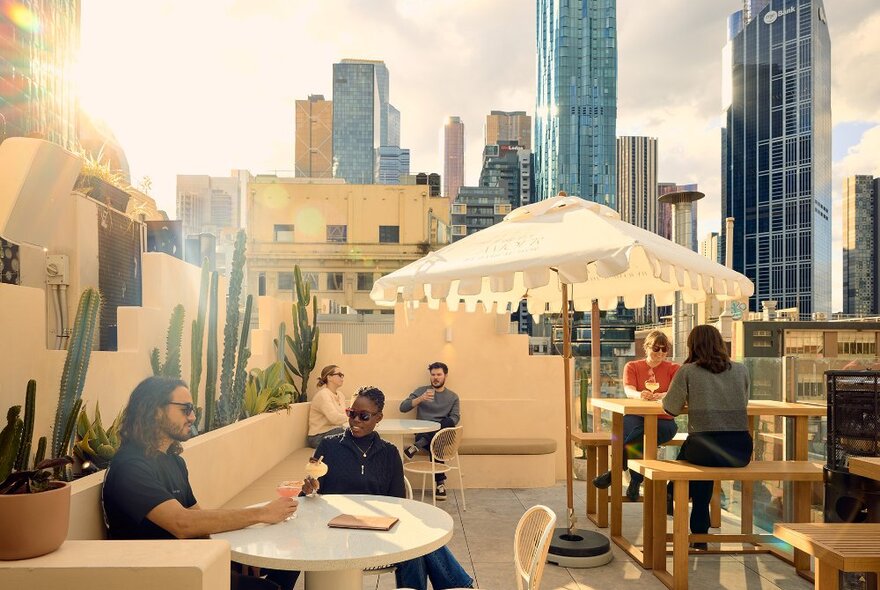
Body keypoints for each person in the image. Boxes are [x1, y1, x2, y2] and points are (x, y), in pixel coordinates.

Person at [102, 377, 300, 590]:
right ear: (156, 411)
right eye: (186, 409)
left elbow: (198, 519)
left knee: (289, 559)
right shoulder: (130, 467)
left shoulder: (174, 461)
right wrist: (261, 513)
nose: (193, 416)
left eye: (193, 409)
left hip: (191, 559)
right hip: (159, 574)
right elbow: (183, 524)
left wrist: (235, 553)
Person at [305, 386, 474, 590]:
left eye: (364, 416)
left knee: (416, 539)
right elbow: (309, 498)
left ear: (379, 418)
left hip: (377, 533)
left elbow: (398, 504)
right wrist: (310, 488)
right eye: (352, 414)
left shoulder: (389, 453)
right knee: (416, 543)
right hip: (338, 535)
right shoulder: (329, 447)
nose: (356, 420)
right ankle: (461, 587)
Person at [662, 324, 753, 549]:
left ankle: (672, 492)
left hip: (704, 447)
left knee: (696, 453)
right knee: (701, 458)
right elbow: (744, 402)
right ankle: (698, 528)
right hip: (740, 450)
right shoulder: (741, 370)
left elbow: (670, 409)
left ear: (693, 345)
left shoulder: (689, 371)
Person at [593, 330, 680, 501]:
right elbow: (629, 390)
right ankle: (635, 481)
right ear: (647, 347)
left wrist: (662, 395)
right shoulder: (632, 366)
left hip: (665, 420)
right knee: (635, 431)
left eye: (665, 349)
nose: (661, 353)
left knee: (637, 434)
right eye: (656, 349)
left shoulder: (674, 368)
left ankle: (615, 471)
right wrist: (640, 394)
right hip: (636, 417)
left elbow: (675, 392)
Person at [399, 361, 461, 500]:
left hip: (442, 433)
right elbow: (403, 407)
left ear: (445, 376)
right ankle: (440, 484)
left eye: (439, 374)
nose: (435, 377)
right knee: (436, 444)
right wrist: (420, 399)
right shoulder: (422, 391)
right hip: (423, 432)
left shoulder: (453, 396)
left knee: (446, 423)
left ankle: (417, 446)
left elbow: (456, 417)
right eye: (433, 374)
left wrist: (440, 427)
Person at [307, 364, 348, 448]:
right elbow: (334, 418)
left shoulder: (341, 395)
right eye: (339, 375)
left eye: (342, 375)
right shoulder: (323, 395)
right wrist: (352, 417)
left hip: (335, 431)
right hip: (318, 436)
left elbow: (344, 414)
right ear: (329, 377)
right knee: (346, 433)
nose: (342, 378)